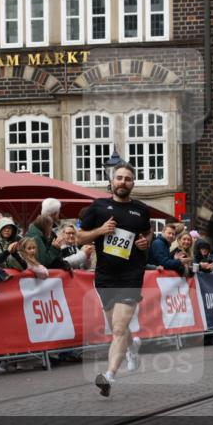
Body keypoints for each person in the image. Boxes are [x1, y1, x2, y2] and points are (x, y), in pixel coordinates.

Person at [77, 161, 151, 396]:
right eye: (119, 178)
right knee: (116, 327)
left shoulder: (140, 210)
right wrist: (100, 231)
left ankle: (108, 376)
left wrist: (145, 243)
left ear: (133, 183)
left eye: (127, 179)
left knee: (119, 328)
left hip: (131, 274)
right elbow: (79, 238)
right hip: (106, 276)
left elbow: (146, 234)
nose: (122, 182)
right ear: (112, 181)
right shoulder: (98, 207)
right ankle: (132, 348)